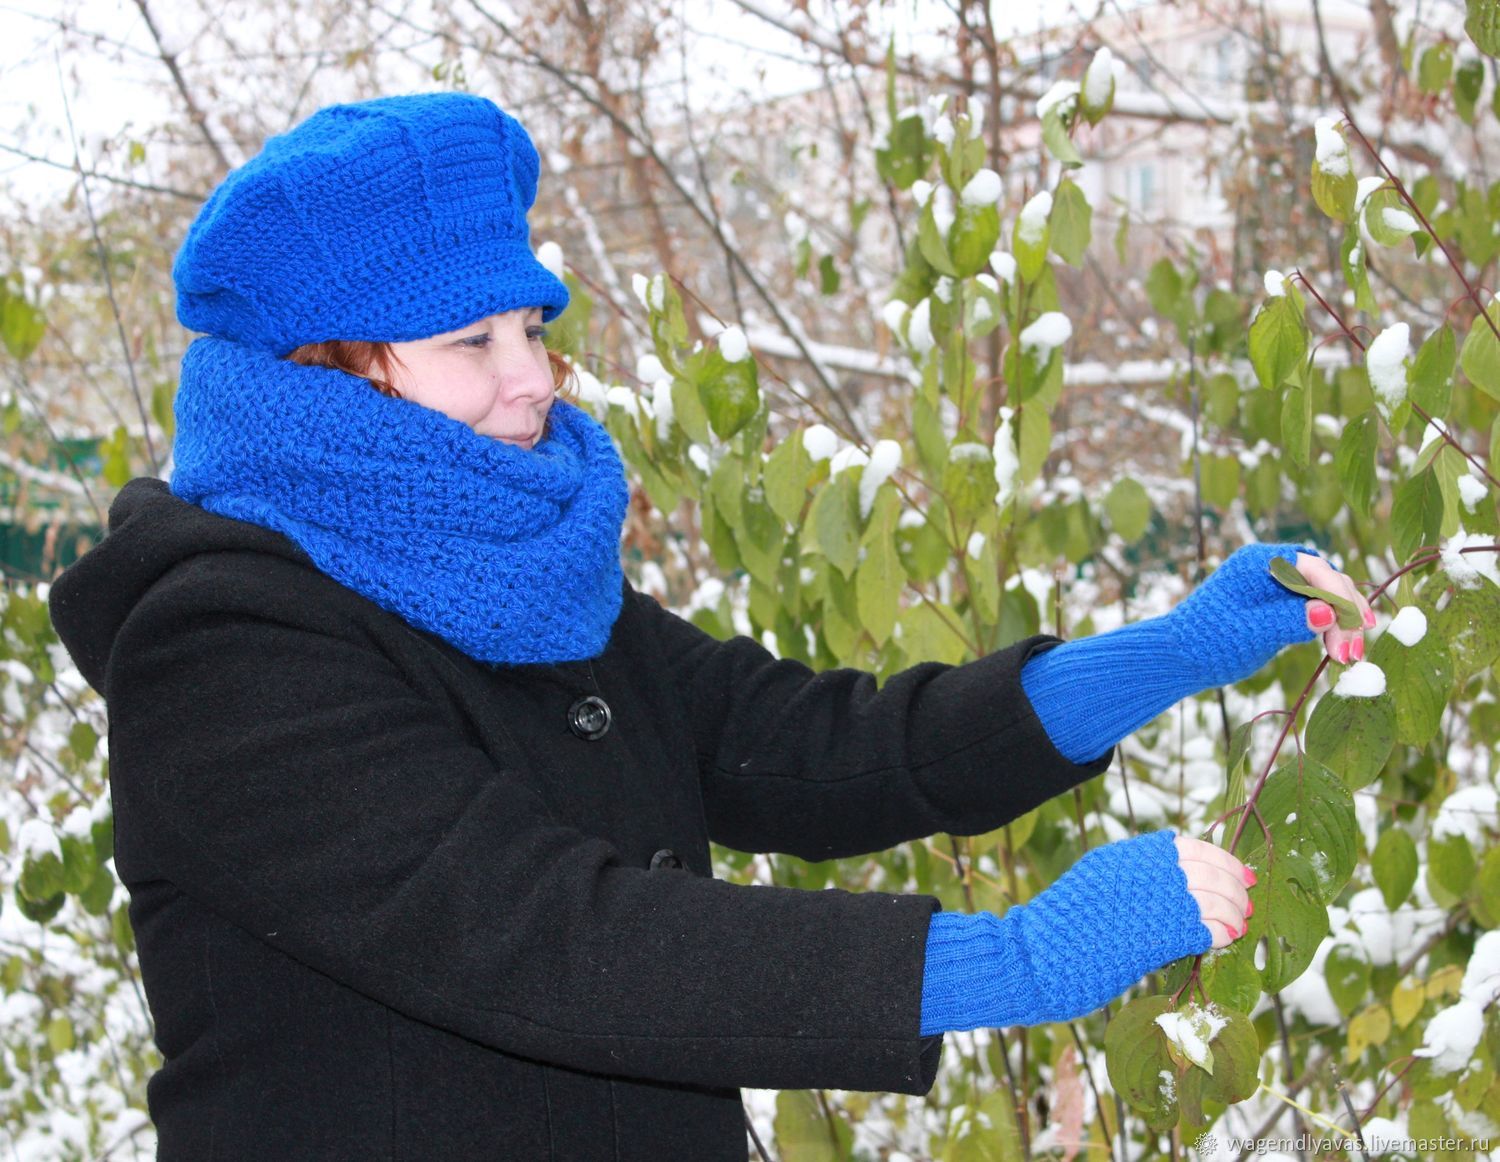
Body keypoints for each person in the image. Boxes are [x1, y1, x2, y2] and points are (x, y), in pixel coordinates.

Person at [46, 92, 1375, 1160]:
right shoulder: (220, 649)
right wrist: (1009, 961)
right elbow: (551, 939)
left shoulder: (512, 571)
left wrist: (1168, 653)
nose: (534, 378)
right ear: (327, 372)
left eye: (531, 325)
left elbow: (805, 743)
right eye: (471, 341)